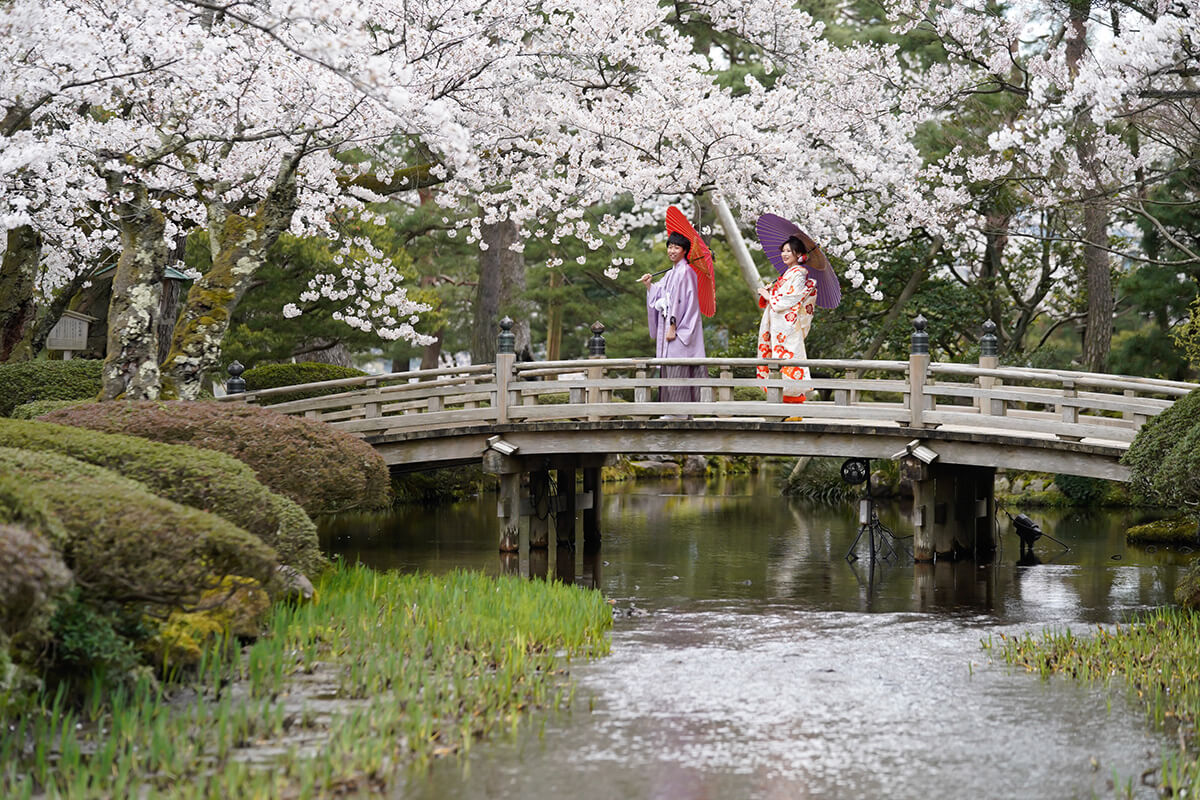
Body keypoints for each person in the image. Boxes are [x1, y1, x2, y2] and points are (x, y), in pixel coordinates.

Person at [639, 231, 706, 408]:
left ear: (685, 251)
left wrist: (673, 325)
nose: (672, 251)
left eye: (676, 247)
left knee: (678, 368)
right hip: (671, 326)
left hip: (680, 330)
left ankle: (680, 411)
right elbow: (661, 292)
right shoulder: (672, 273)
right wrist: (649, 286)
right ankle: (671, 409)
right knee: (669, 368)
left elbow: (683, 302)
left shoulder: (686, 272)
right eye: (670, 247)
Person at [757, 235, 822, 405]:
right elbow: (781, 297)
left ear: (798, 254)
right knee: (777, 359)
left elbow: (789, 299)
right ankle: (782, 398)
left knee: (788, 358)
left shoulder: (799, 275)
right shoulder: (788, 274)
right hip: (778, 325)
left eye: (789, 251)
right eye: (783, 251)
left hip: (787, 326)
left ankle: (793, 401)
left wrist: (768, 295)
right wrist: (772, 290)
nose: (784, 254)